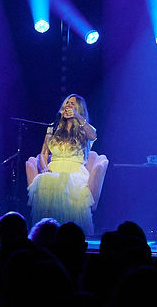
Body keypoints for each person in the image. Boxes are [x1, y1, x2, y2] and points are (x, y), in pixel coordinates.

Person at [27, 94, 98, 235]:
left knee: (67, 184)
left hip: (74, 171)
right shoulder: (53, 129)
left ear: (79, 108)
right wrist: (44, 167)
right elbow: (44, 153)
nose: (68, 106)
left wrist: (77, 116)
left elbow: (93, 136)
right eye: (66, 103)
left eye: (72, 104)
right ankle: (47, 235)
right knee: (45, 181)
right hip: (53, 169)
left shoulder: (84, 129)